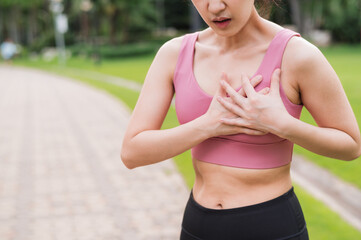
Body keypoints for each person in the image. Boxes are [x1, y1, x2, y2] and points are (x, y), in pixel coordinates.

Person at [121, 0, 361, 239]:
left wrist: (283, 125)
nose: (214, 7)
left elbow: (351, 145)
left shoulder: (298, 55)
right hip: (197, 225)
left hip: (271, 226)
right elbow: (133, 152)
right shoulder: (175, 54)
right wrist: (207, 125)